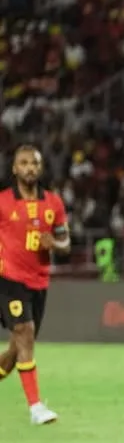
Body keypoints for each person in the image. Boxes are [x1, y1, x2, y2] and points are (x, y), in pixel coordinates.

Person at [0, 145, 69, 424]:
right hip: (8, 279)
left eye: (34, 163)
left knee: (18, 350)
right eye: (24, 163)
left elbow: (66, 241)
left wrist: (55, 243)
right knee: (24, 331)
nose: (29, 168)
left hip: (38, 282)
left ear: (40, 169)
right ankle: (36, 407)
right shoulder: (3, 202)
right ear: (15, 168)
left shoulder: (53, 204)